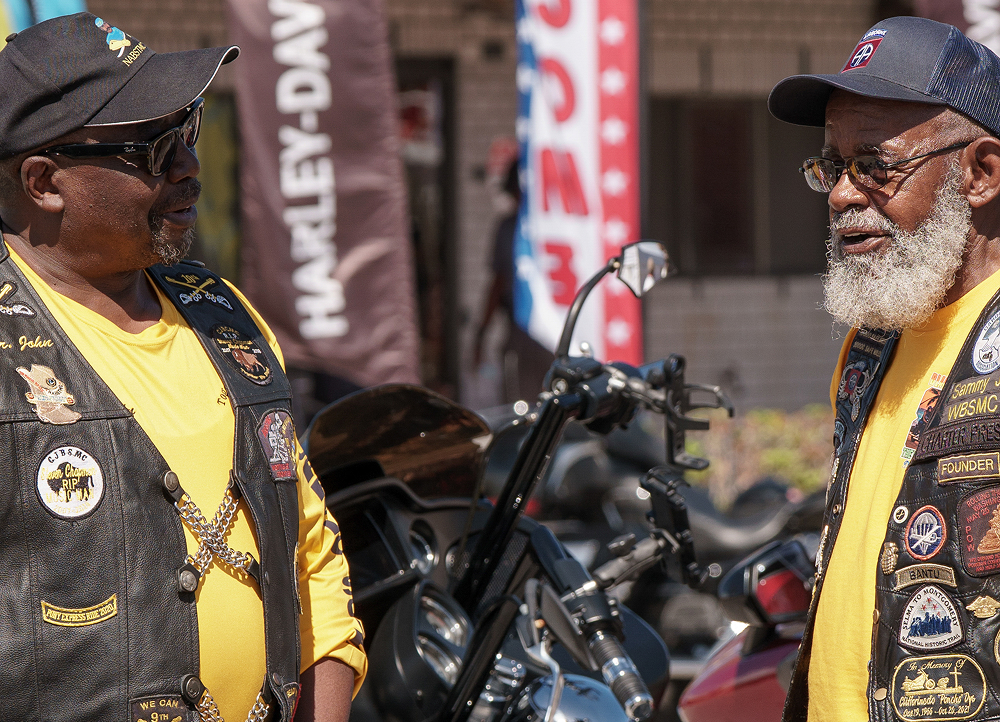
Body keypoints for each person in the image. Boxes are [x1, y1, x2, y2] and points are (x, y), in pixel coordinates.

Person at [0, 13, 365, 722]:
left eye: (190, 130)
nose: (189, 167)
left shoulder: (226, 317)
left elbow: (313, 559)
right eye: (156, 148)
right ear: (45, 182)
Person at [767, 15, 1000, 722]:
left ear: (981, 173)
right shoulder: (870, 347)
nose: (841, 195)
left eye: (876, 165)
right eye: (833, 167)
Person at [474, 160, 553, 402]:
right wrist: (481, 333)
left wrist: (481, 334)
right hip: (522, 328)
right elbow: (498, 284)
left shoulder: (555, 228)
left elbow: (498, 283)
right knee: (522, 407)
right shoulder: (510, 227)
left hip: (556, 328)